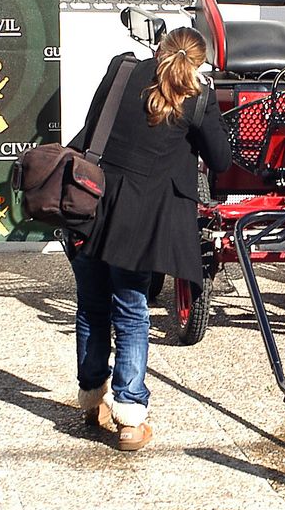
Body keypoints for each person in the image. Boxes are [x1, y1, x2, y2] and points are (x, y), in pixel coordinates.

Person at [66, 26, 231, 451]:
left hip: (91, 208)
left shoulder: (121, 71)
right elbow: (221, 159)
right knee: (132, 310)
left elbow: (92, 129)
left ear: (157, 48)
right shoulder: (199, 96)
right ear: (199, 62)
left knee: (91, 306)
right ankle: (131, 418)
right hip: (139, 222)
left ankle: (91, 399)